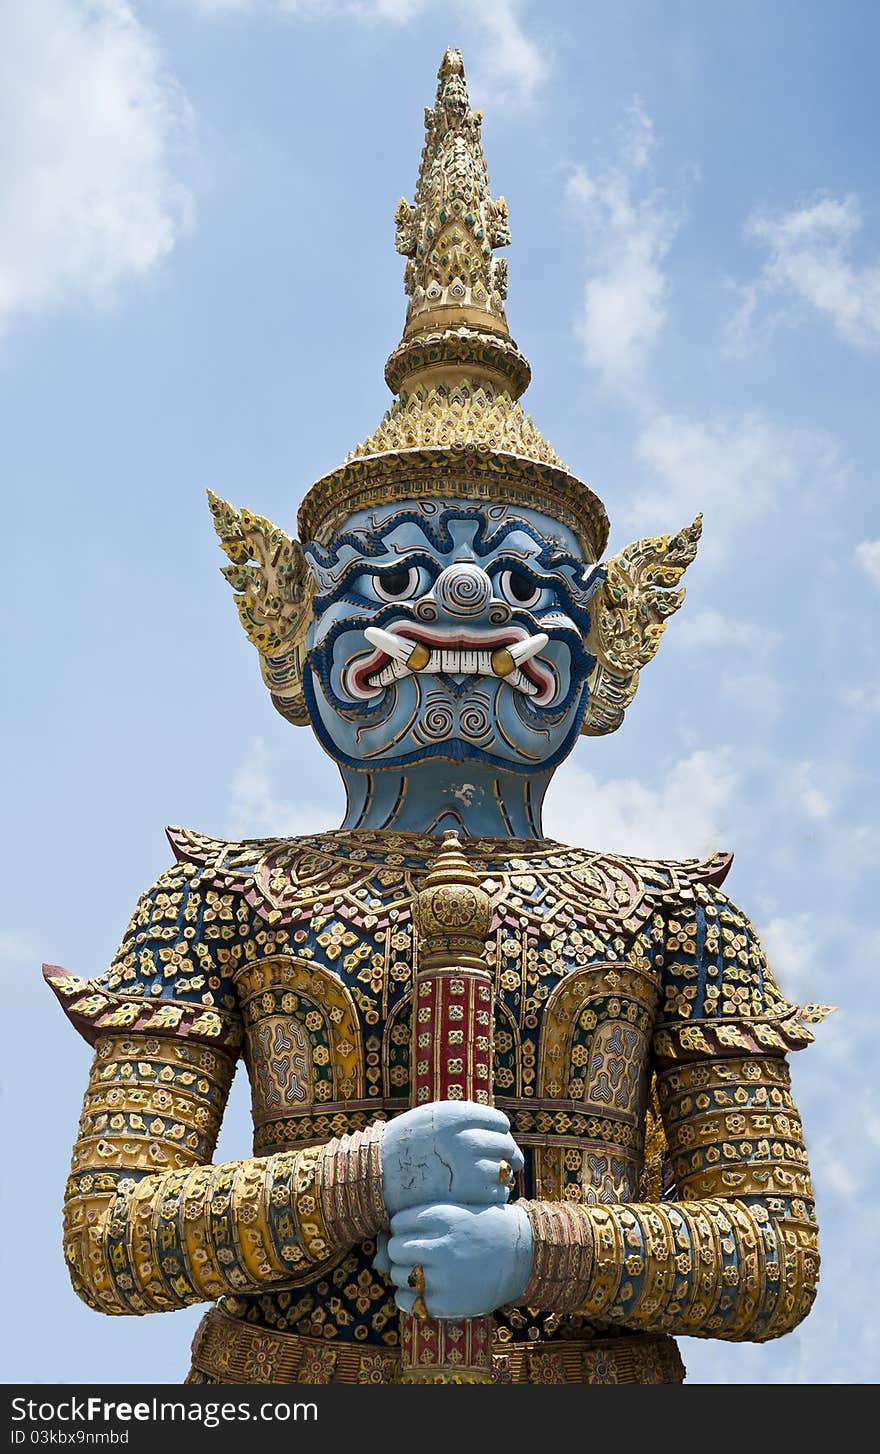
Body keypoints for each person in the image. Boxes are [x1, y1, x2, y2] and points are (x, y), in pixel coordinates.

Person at [47, 50, 827, 1386]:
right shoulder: (219, 899)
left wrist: (539, 1247)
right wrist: (367, 1171)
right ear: (293, 630)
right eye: (398, 572)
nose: (465, 598)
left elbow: (770, 1254)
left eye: (524, 579)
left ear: (610, 642)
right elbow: (113, 1237)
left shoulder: (674, 916)